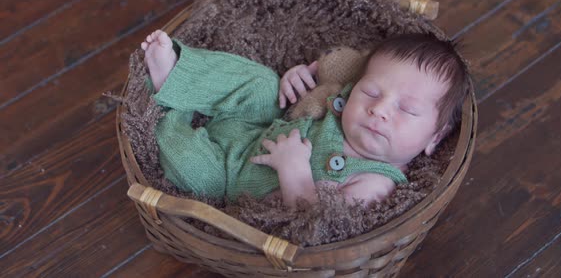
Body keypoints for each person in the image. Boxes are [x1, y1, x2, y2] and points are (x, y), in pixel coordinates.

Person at [141, 29, 469, 208]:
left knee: (188, 161)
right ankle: (177, 75)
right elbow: (317, 86)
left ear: (435, 138)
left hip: (230, 178)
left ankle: (173, 114)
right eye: (370, 91)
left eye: (407, 110)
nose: (379, 108)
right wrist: (295, 79)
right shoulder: (346, 99)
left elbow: (317, 222)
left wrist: (294, 168)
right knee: (262, 85)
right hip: (260, 125)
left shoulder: (376, 183)